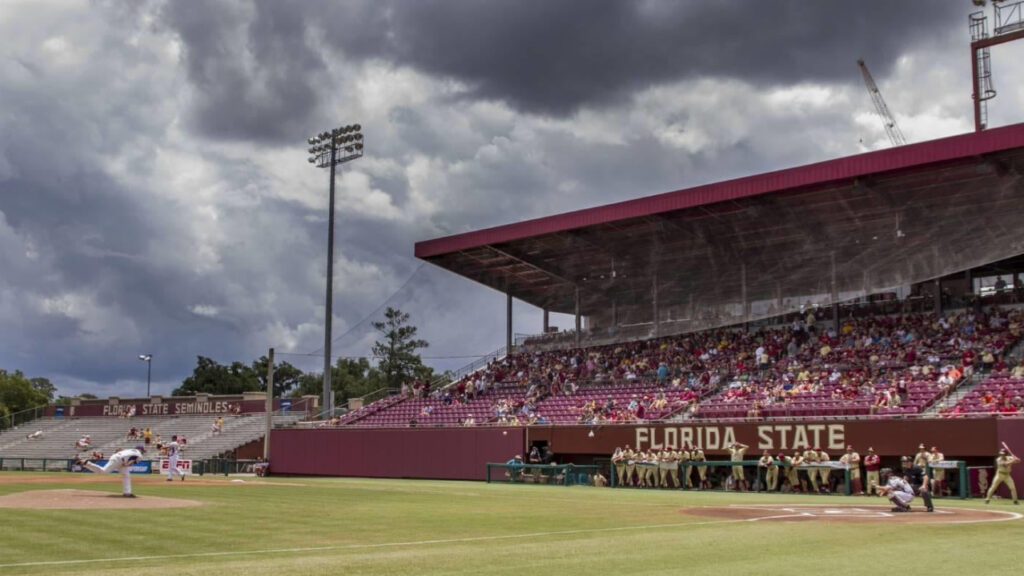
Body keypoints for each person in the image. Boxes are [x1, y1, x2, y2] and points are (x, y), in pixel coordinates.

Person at [81, 445, 146, 497]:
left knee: (126, 475)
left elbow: (126, 455)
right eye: (143, 450)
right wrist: (127, 464)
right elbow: (133, 459)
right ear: (140, 449)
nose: (143, 451)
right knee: (104, 472)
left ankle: (127, 492)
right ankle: (87, 463)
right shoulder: (139, 454)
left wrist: (125, 463)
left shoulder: (130, 450)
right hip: (119, 460)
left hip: (118, 458)